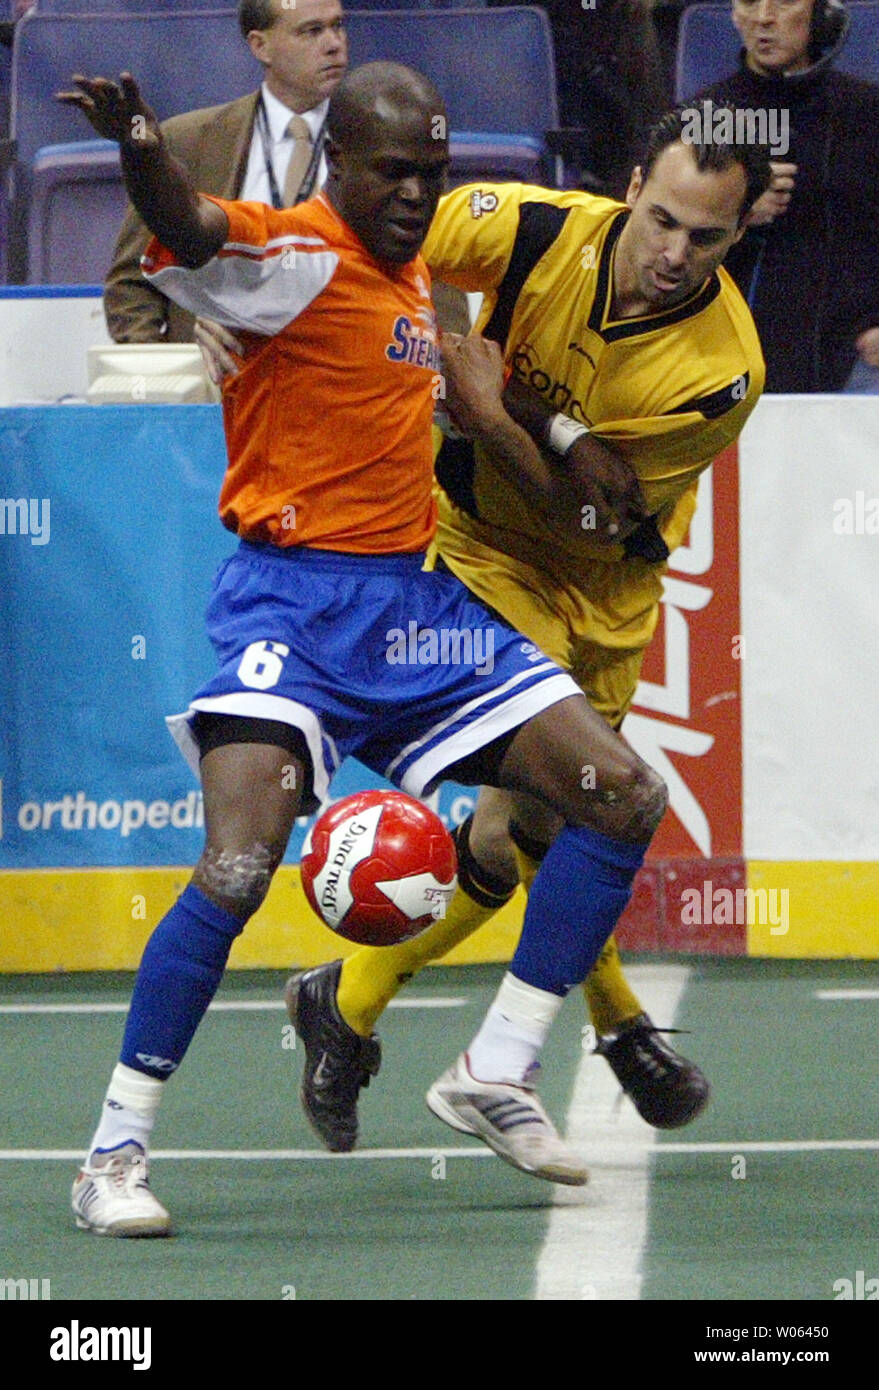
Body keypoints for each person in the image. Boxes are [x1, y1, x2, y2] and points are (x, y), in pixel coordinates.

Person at [58, 59, 676, 1234]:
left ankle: (497, 1067)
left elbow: (458, 374)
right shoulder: (287, 255)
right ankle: (114, 1154)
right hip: (288, 613)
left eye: (434, 174)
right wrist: (142, 136)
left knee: (623, 792)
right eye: (394, 170)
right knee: (239, 866)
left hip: (415, 611)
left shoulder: (420, 278)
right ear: (336, 159)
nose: (416, 193)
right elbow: (187, 225)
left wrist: (541, 424)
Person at [274, 106, 772, 1163]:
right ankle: (538, 1051)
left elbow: (589, 509)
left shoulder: (724, 369)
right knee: (582, 793)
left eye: (709, 239)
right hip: (479, 554)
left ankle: (347, 1001)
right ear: (632, 182)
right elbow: (387, 244)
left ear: (739, 239)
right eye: (664, 220)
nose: (676, 254)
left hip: (608, 589)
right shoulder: (536, 227)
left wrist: (504, 411)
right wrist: (430, 342)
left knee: (520, 836)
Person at [103, 0, 348, 344]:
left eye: (337, 25)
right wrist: (168, 375)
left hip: (336, 368)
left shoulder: (377, 144)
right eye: (312, 31)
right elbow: (133, 284)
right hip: (214, 377)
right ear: (260, 46)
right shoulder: (186, 141)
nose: (334, 43)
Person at [694, 0, 879, 392]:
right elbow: (658, 244)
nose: (763, 17)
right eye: (748, 2)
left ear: (820, 13)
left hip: (862, 353)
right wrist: (733, 207)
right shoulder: (703, 120)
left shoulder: (866, 114)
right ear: (733, 14)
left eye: (782, 2)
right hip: (739, 356)